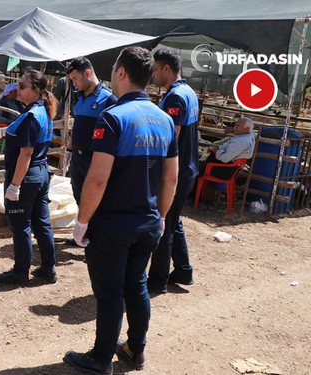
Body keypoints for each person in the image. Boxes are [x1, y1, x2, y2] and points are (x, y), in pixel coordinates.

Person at [64, 46, 179, 374]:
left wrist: (82, 221)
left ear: (121, 73)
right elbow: (170, 178)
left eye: (114, 69)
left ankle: (101, 359)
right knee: (137, 286)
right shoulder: (164, 120)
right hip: (146, 223)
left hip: (113, 226)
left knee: (111, 293)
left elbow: (97, 180)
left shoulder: (113, 119)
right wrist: (160, 217)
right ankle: (135, 349)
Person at [0, 69, 59, 285]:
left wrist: (14, 185)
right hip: (40, 174)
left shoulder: (32, 117)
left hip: (27, 176)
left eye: (22, 86)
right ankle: (48, 269)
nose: (17, 89)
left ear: (36, 91)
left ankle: (20, 272)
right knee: (42, 223)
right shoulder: (42, 112)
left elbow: (26, 153)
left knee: (20, 224)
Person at [147, 48, 200, 294]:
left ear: (166, 69)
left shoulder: (175, 97)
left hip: (177, 170)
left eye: (155, 70)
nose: (153, 75)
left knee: (165, 222)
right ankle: (183, 270)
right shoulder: (188, 92)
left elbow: (170, 139)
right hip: (189, 168)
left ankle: (156, 280)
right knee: (173, 219)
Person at [65, 57, 117, 208]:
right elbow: (76, 127)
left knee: (96, 202)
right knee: (78, 198)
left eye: (75, 79)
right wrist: (69, 150)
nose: (74, 83)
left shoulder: (109, 99)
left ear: (87, 73)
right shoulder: (79, 97)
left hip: (94, 161)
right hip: (77, 159)